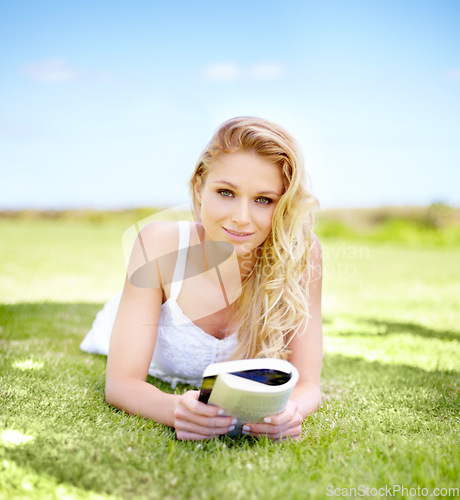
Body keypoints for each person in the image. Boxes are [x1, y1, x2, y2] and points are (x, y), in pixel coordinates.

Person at [80, 116, 323, 441]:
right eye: (226, 192)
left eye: (263, 200)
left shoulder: (301, 255)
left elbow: (308, 384)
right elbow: (121, 384)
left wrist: (290, 411)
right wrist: (175, 410)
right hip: (127, 319)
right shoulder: (158, 245)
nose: (241, 217)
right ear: (199, 187)